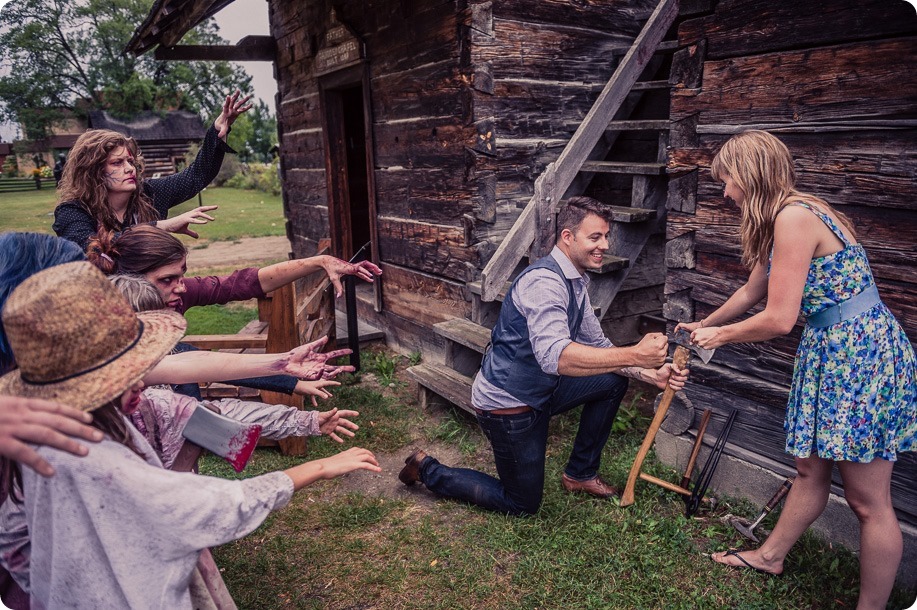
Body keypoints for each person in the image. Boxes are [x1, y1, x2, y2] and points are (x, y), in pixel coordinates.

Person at [0, 261, 381, 608]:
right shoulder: (86, 456)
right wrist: (320, 467)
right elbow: (214, 505)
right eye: (135, 366)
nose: (146, 375)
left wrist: (308, 423)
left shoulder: (141, 407)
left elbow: (217, 421)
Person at [674, 131, 915, 609]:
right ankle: (770, 556)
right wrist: (704, 322)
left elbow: (780, 319)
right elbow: (751, 293)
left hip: (859, 359)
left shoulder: (795, 217)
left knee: (869, 502)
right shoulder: (790, 214)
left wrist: (719, 338)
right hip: (835, 352)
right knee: (809, 468)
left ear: (748, 174)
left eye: (727, 181)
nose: (725, 193)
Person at [398, 196, 689, 515]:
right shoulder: (544, 282)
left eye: (606, 236)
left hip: (540, 390)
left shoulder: (576, 282)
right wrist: (635, 352)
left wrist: (649, 374)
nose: (604, 244)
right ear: (568, 237)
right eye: (595, 237)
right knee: (522, 503)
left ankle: (580, 473)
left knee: (611, 381)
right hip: (507, 403)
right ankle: (427, 468)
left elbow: (601, 347)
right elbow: (556, 358)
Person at [87, 224, 381, 398]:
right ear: (130, 280)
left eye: (182, 275)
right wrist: (286, 374)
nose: (182, 287)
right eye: (167, 279)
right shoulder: (105, 340)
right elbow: (186, 363)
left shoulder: (172, 300)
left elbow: (243, 283)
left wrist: (319, 262)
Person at [52, 90, 254, 250]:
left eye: (130, 161)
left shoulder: (149, 194)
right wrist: (161, 226)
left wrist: (217, 130)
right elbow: (93, 249)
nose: (129, 168)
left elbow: (196, 175)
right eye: (117, 163)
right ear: (92, 171)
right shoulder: (73, 212)